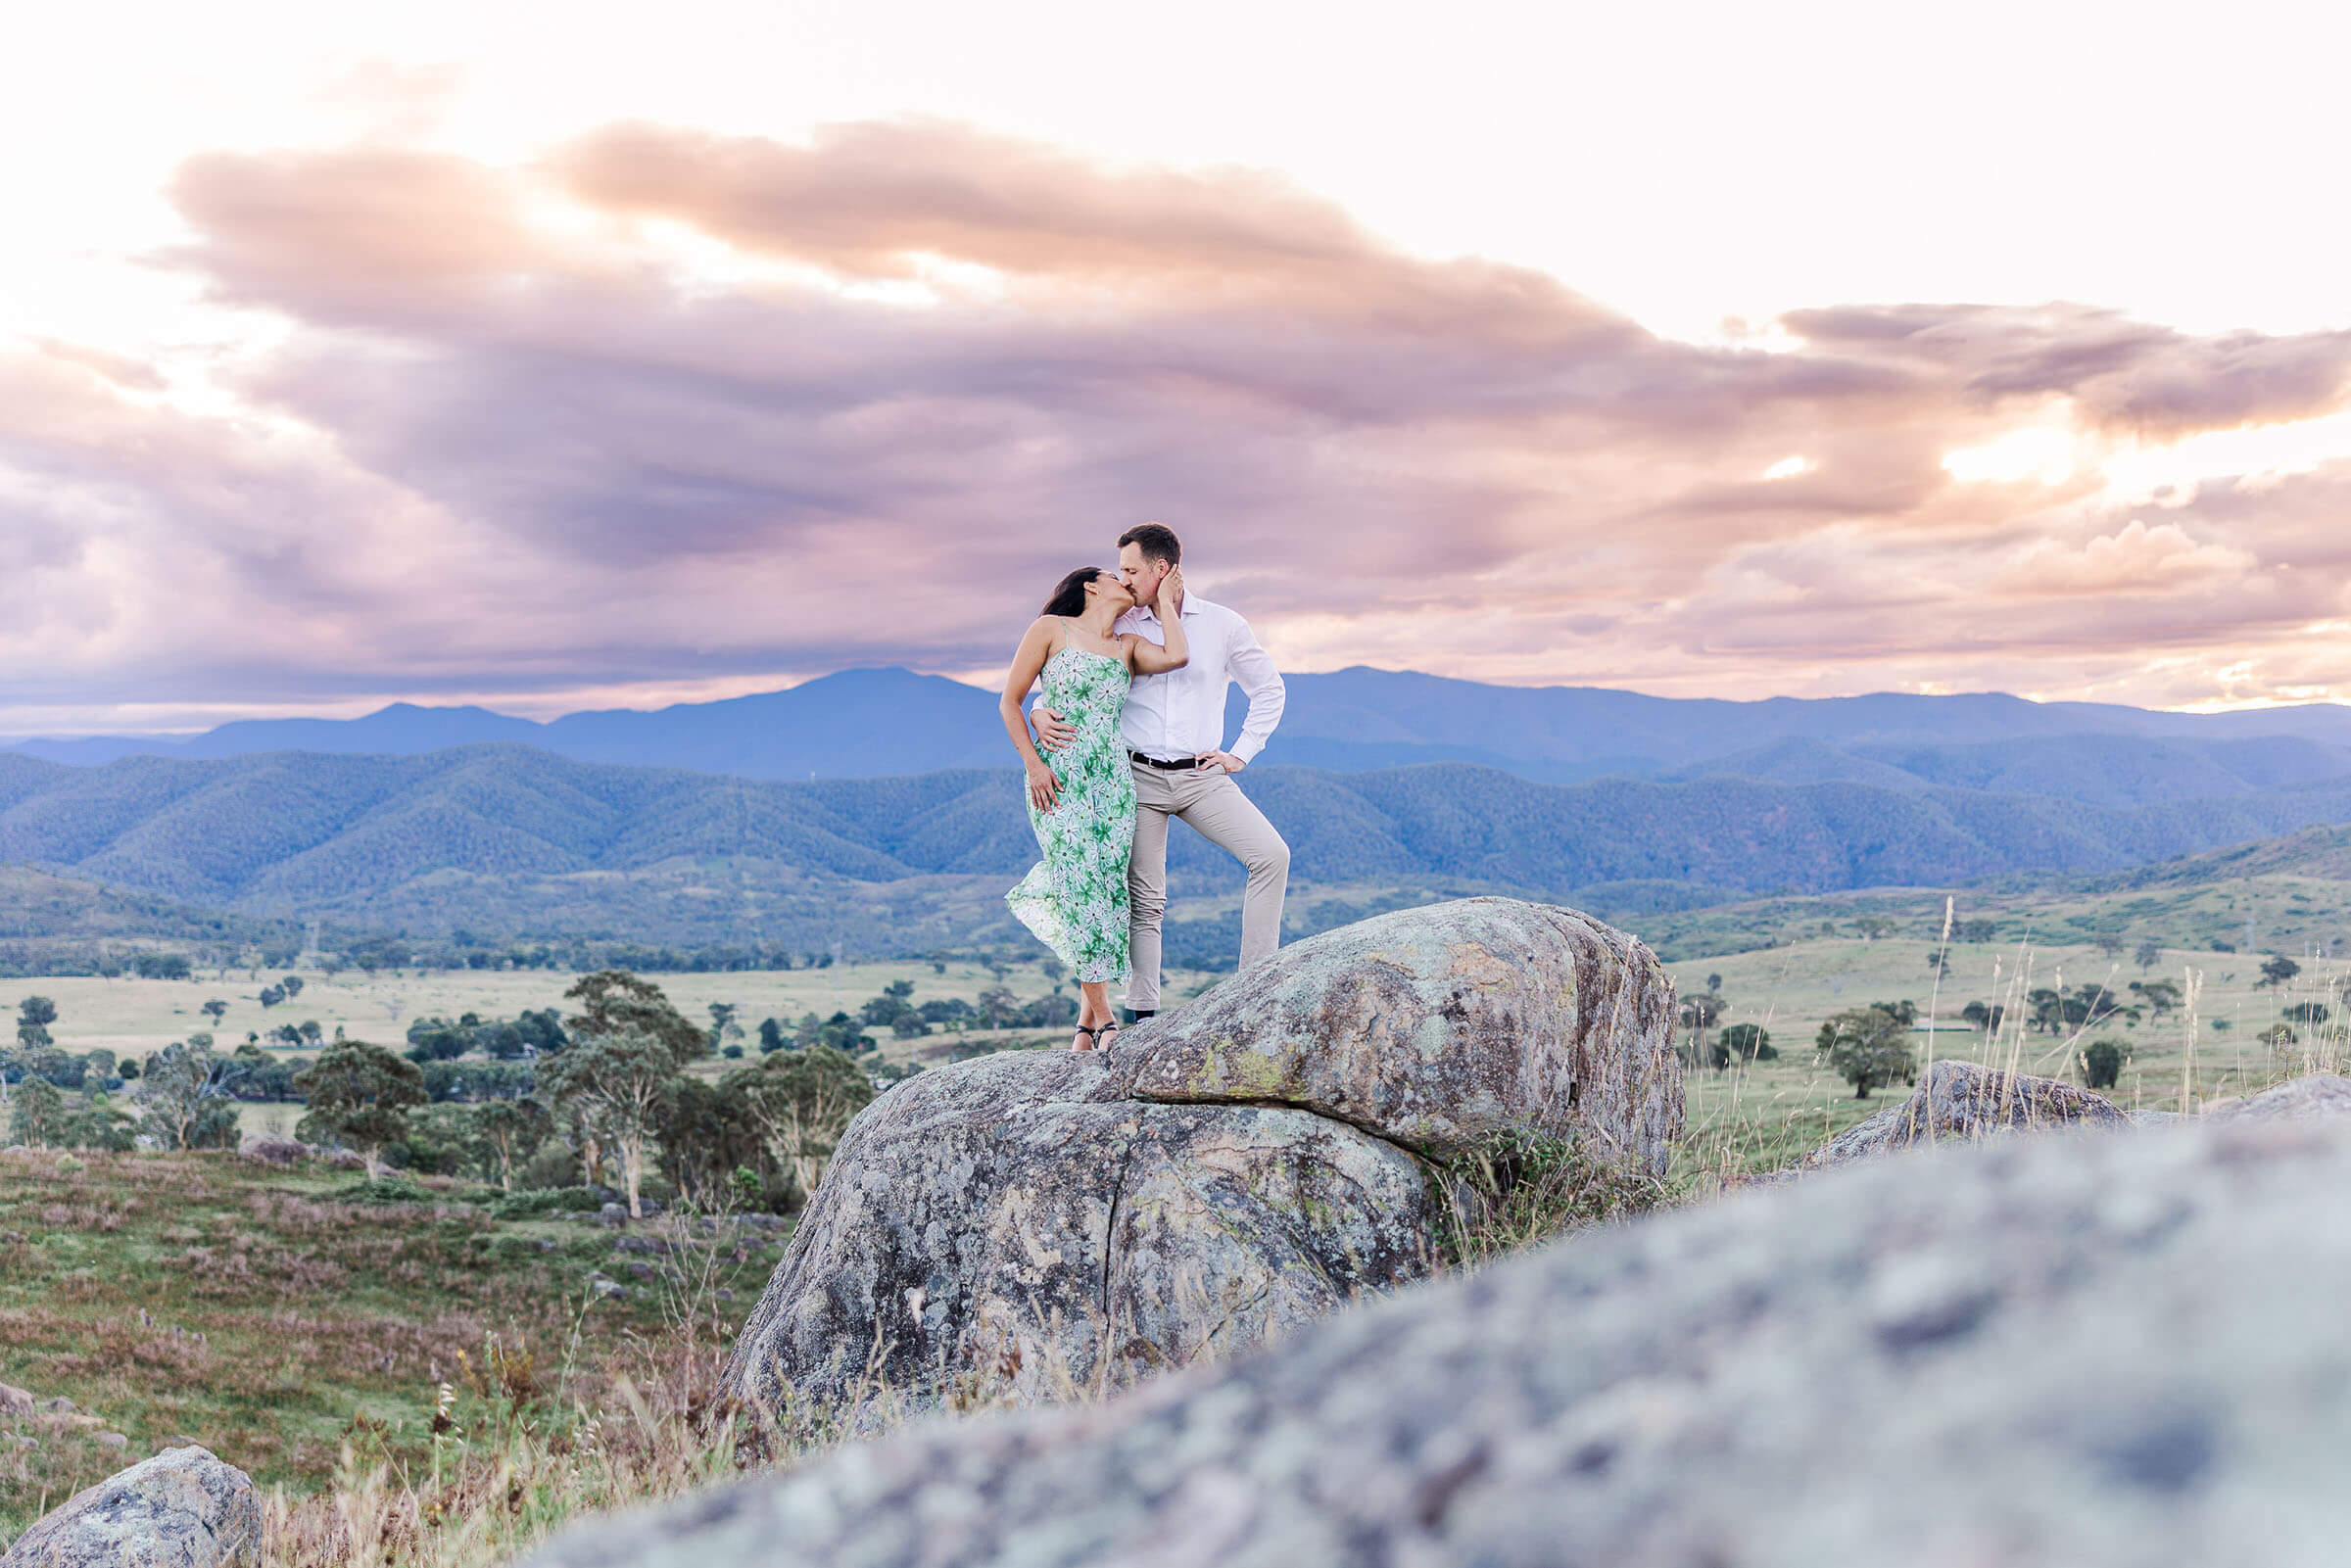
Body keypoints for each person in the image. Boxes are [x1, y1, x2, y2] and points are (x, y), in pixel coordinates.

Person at [1032, 523, 1287, 1022]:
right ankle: (1142, 1016)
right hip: (1134, 778)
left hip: (1203, 776)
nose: (1124, 580)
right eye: (1120, 571)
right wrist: (1041, 709)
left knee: (1271, 856)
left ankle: (1255, 987)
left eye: (1131, 570)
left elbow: (1270, 690)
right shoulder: (1119, 624)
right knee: (1145, 898)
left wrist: (1241, 752)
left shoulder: (1222, 624)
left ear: (1161, 569)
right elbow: (1077, 676)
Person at [999, 562, 1190, 1050]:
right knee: (1080, 884)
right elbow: (1011, 702)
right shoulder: (1051, 629)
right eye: (1116, 576)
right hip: (1058, 777)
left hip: (1111, 780)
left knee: (1108, 890)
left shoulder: (1126, 646)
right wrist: (1033, 765)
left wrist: (1165, 601)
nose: (1126, 582)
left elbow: (1177, 656)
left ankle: (1084, 1028)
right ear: (1090, 586)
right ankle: (1106, 1020)